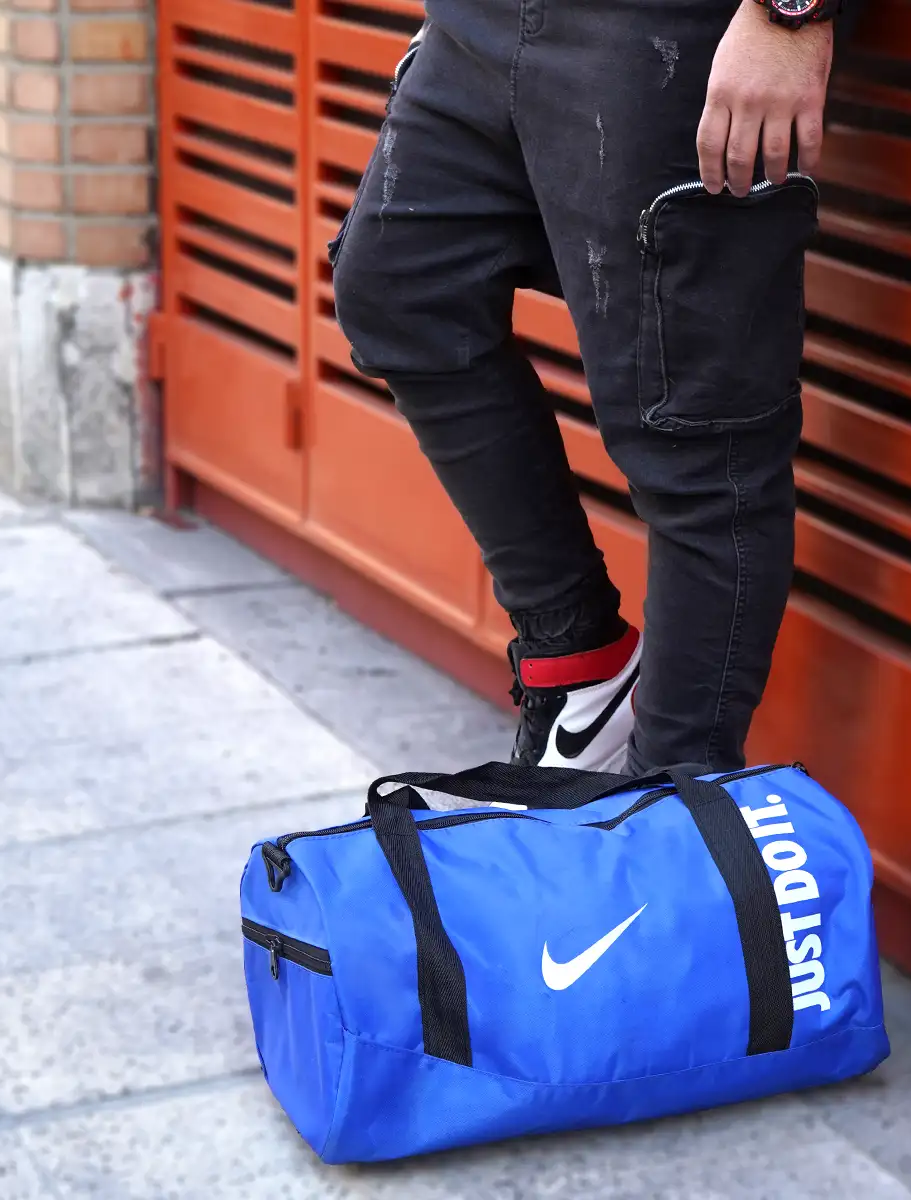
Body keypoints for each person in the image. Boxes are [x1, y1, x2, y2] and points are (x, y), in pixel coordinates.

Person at [333, 0, 857, 776]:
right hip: (482, 22)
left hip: (667, 26)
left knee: (699, 438)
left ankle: (668, 793)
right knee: (399, 292)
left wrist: (791, 16)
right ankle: (578, 659)